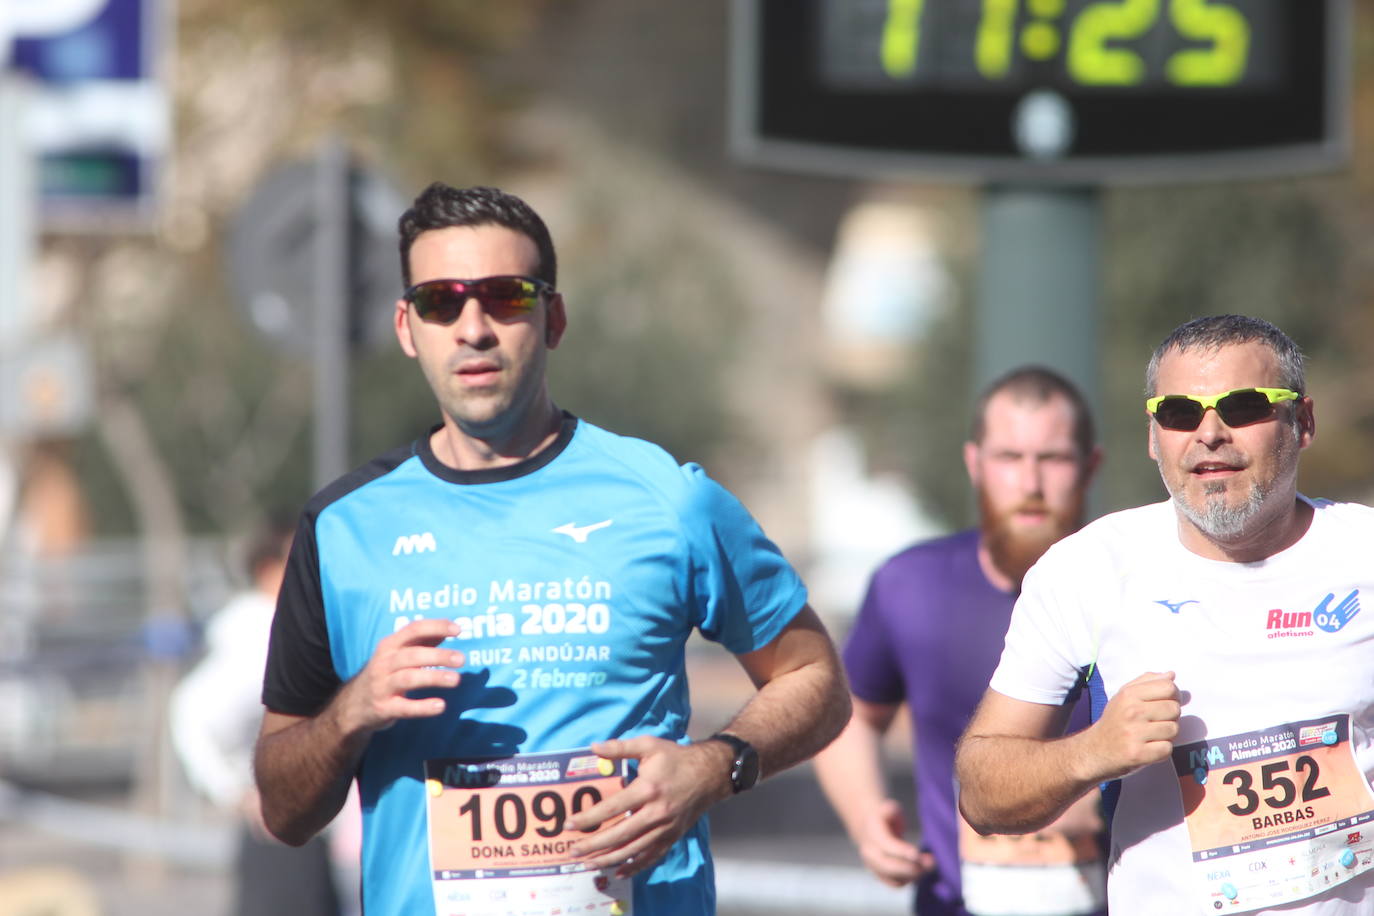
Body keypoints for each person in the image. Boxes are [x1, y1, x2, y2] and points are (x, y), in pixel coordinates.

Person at [252, 183, 850, 916]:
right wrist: (349, 715)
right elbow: (284, 811)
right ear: (408, 327)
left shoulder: (670, 500)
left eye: (505, 297)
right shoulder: (344, 527)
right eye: (442, 303)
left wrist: (711, 769)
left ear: (553, 317)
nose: (473, 328)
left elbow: (815, 678)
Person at [956, 315, 1374, 915]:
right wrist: (1091, 752)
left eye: (1244, 406)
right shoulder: (1087, 570)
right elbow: (981, 791)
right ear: (1154, 437)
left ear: (1302, 421)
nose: (1209, 433)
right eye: (1179, 413)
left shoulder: (1364, 553)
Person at [814, 366, 1108, 916]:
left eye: (1053, 458)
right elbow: (849, 714)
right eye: (1009, 458)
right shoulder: (910, 586)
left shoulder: (1144, 588)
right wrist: (866, 818)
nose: (1031, 484)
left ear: (1090, 466)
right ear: (975, 464)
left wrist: (1101, 793)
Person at [170, 521, 344, 916]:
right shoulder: (260, 632)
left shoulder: (277, 626)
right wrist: (236, 792)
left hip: (299, 823)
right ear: (268, 569)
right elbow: (190, 714)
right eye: (300, 559)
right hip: (280, 827)